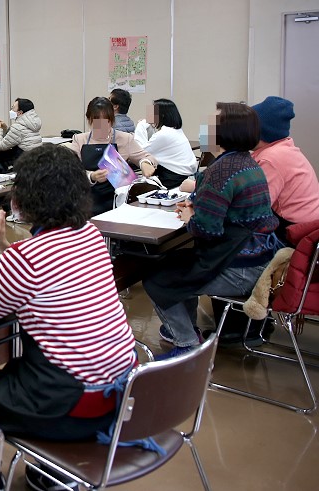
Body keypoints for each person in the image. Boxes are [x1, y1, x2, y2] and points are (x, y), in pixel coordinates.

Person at [0, 145, 137, 473]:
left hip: (70, 403)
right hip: (118, 392)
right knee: (16, 367)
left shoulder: (26, 259)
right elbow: (42, 273)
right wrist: (2, 244)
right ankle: (51, 474)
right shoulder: (90, 235)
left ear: (22, 200)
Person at [144, 103, 279, 358]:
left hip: (239, 267)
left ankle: (186, 344)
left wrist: (189, 217)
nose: (206, 129)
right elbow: (229, 212)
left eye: (212, 124)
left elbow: (207, 230)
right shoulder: (246, 163)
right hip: (259, 258)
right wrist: (197, 208)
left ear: (225, 131)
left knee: (156, 277)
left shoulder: (221, 170)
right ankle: (186, 330)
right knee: (175, 265)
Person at [67, 97, 156, 215]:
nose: (102, 127)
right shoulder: (80, 139)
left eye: (106, 122)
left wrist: (145, 163)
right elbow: (70, 170)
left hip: (117, 201)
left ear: (112, 121)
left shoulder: (125, 138)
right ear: (89, 120)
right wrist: (92, 176)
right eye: (97, 122)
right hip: (87, 200)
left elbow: (148, 157)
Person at [250, 96, 319, 236]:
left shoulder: (270, 159)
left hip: (295, 232)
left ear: (259, 132)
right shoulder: (282, 147)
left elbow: (254, 209)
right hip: (310, 226)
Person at [133, 98, 197, 189]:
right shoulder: (175, 130)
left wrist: (141, 125)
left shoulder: (163, 134)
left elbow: (141, 152)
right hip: (185, 175)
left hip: (172, 179)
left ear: (161, 115)